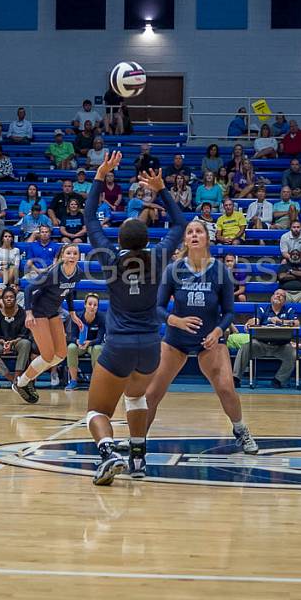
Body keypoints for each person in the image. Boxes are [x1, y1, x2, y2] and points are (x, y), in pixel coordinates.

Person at [82, 151, 185, 485]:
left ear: (120, 240)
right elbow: (181, 225)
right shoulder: (157, 258)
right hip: (150, 347)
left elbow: (90, 220)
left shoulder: (111, 260)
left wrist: (100, 176)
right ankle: (138, 458)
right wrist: (161, 189)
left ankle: (109, 452)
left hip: (119, 347)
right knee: (136, 396)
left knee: (96, 411)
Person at [146, 220, 258, 455]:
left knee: (227, 388)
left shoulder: (220, 272)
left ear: (207, 238)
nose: (194, 235)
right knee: (152, 392)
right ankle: (137, 439)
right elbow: (156, 308)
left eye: (199, 231)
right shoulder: (173, 270)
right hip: (175, 340)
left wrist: (217, 332)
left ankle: (241, 430)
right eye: (190, 232)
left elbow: (229, 312)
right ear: (185, 240)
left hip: (209, 341)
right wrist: (175, 321)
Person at [15, 244, 83, 402]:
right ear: (62, 256)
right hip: (38, 311)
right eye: (69, 253)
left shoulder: (77, 273)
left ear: (78, 256)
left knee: (61, 354)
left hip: (53, 311)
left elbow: (70, 290)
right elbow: (28, 289)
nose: (72, 256)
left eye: (75, 253)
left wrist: (72, 312)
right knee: (47, 355)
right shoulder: (53, 273)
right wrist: (28, 313)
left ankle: (28, 379)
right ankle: (21, 382)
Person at [232, 289, 299, 389]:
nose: (278, 296)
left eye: (282, 295)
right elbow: (256, 320)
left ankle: (278, 380)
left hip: (281, 346)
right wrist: (250, 322)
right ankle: (235, 378)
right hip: (261, 344)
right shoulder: (263, 309)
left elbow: (297, 323)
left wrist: (281, 321)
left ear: (284, 301)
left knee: (293, 354)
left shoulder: (289, 311)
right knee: (246, 347)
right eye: (276, 294)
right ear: (272, 297)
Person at [0, 287, 32, 385]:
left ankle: (17, 376)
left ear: (15, 299)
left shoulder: (23, 313)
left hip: (17, 342)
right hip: (2, 342)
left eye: (11, 297)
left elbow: (24, 334)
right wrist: (4, 343)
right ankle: (11, 378)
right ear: (2, 300)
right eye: (6, 297)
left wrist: (12, 342)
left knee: (26, 343)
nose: (9, 299)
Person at [65, 293, 105, 391]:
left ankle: (96, 381)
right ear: (85, 305)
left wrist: (89, 343)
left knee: (98, 348)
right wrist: (77, 341)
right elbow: (71, 337)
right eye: (90, 304)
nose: (92, 307)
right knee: (71, 347)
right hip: (80, 345)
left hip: (93, 345)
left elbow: (99, 339)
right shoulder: (77, 317)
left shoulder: (102, 318)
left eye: (95, 305)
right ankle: (74, 381)